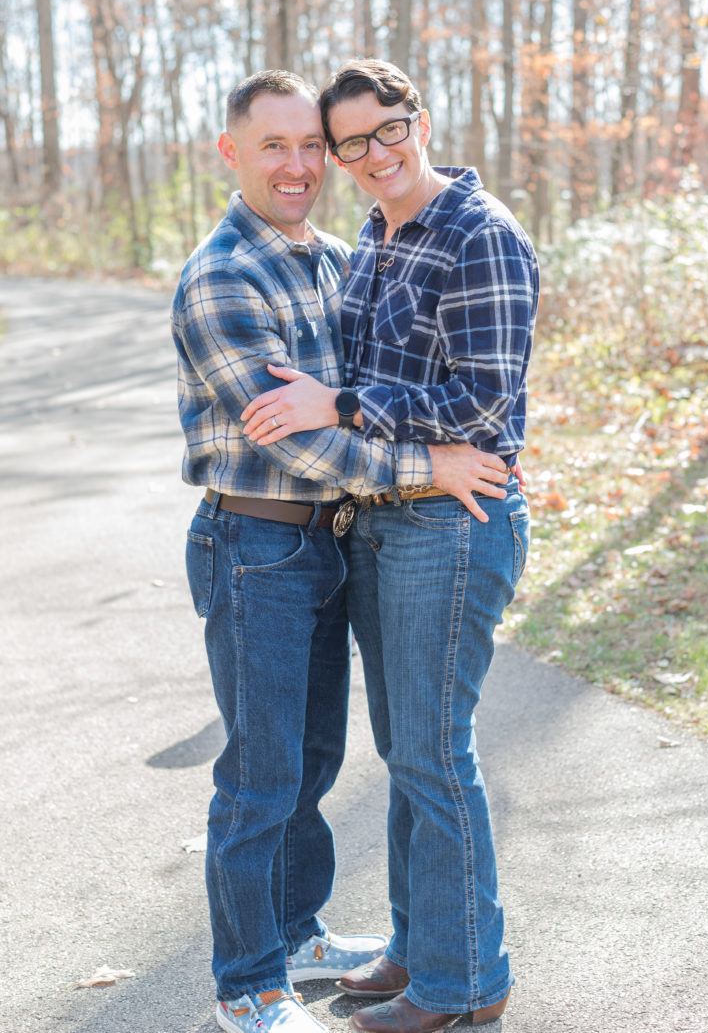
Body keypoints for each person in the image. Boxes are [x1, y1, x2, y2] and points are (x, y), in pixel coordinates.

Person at [171, 69, 512, 1033]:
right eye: (273, 145)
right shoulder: (223, 275)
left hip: (327, 539)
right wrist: (428, 464)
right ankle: (248, 981)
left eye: (311, 145)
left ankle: (298, 927)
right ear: (232, 152)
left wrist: (414, 442)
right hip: (255, 541)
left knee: (313, 760)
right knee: (260, 774)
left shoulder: (329, 254)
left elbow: (364, 383)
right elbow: (302, 437)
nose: (298, 164)